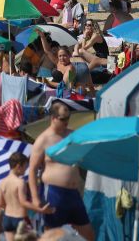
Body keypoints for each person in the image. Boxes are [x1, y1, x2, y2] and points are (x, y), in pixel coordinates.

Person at [28, 103, 95, 240]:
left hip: (74, 194)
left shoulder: (72, 135)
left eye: (68, 118)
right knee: (51, 236)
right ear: (53, 118)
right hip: (53, 193)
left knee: (88, 235)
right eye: (63, 119)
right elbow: (32, 171)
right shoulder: (43, 140)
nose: (66, 121)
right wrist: (35, 198)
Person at [0, 152, 42, 240]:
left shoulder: (2, 182)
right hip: (20, 219)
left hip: (7, 219)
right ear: (18, 166)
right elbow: (23, 202)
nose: (25, 170)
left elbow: (0, 204)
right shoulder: (20, 182)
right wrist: (39, 209)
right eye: (25, 167)